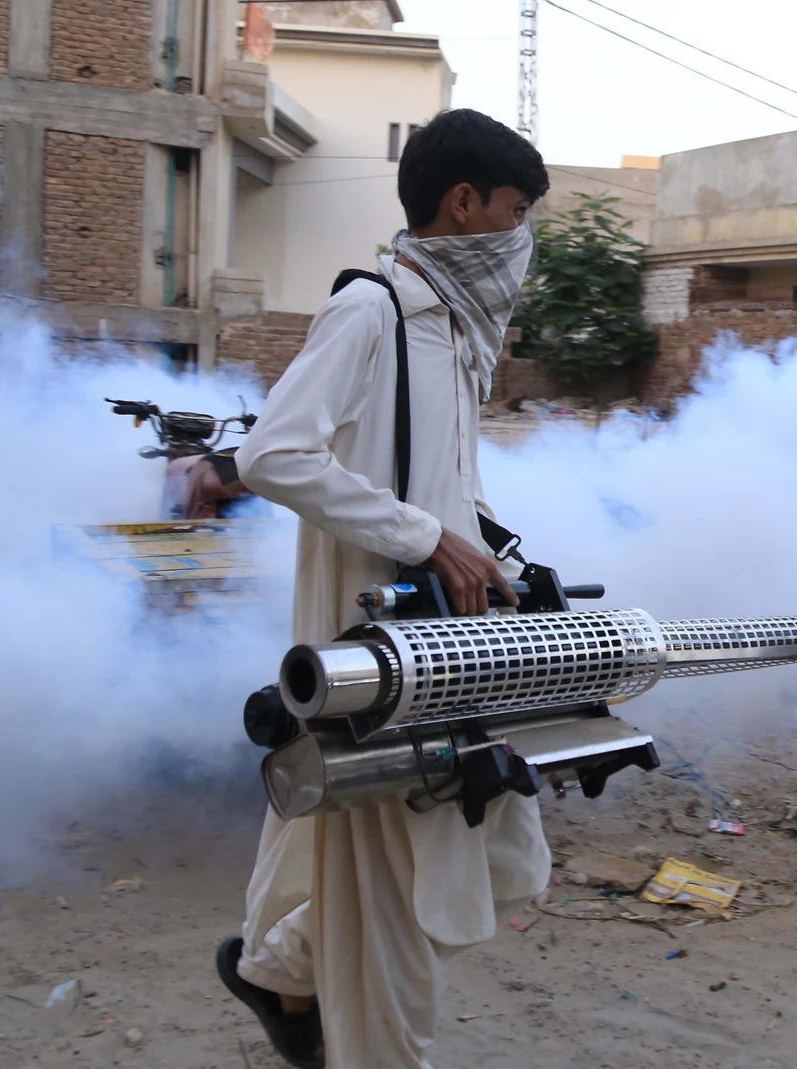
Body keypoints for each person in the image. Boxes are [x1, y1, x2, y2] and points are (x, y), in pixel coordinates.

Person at [215, 109, 551, 1069]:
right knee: (398, 916)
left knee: (500, 864)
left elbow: (447, 491)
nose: (521, 235)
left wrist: (493, 557)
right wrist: (422, 535)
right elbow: (270, 453)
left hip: (449, 651)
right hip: (374, 665)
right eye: (515, 210)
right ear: (464, 203)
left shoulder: (455, 331)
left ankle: (278, 968)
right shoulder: (372, 310)